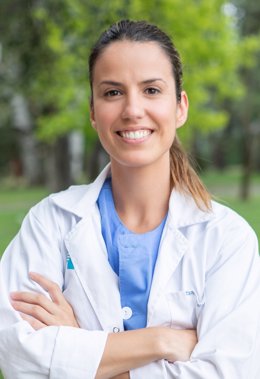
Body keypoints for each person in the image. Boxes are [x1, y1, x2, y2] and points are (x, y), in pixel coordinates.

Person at [0, 19, 259, 379]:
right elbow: (14, 353)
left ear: (180, 107)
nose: (132, 110)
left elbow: (229, 373)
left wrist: (80, 348)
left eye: (151, 90)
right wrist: (162, 342)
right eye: (112, 93)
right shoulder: (50, 222)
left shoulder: (228, 239)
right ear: (93, 111)